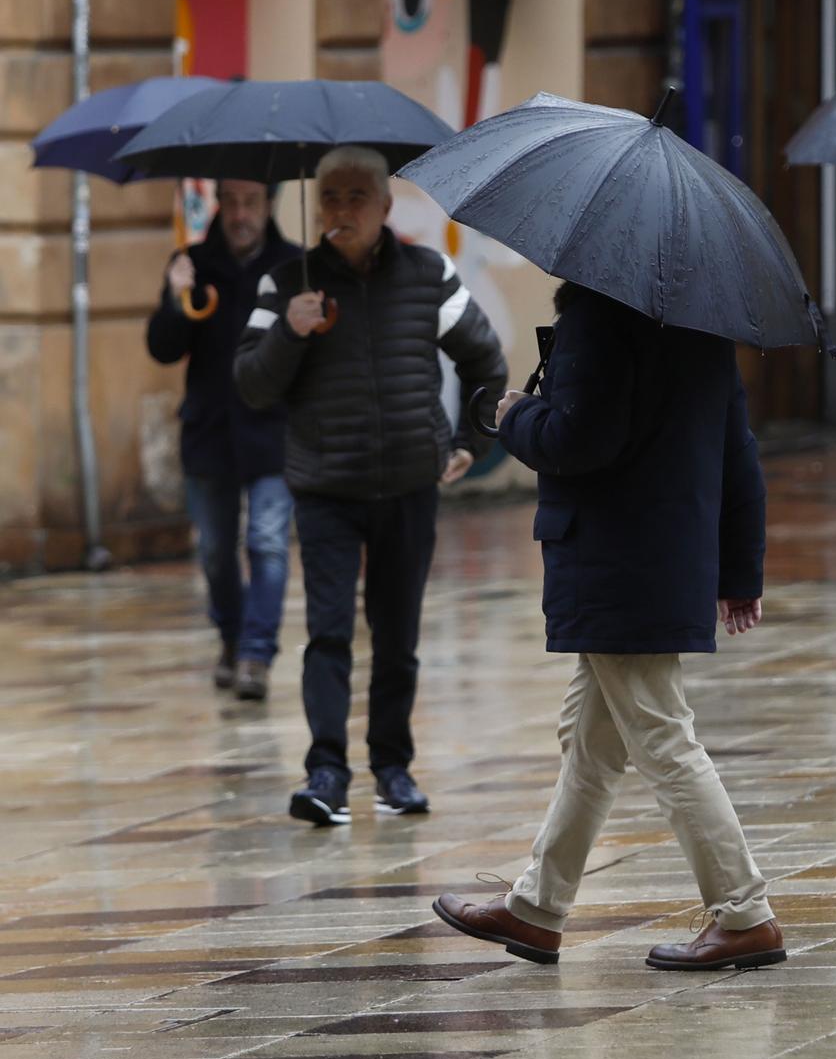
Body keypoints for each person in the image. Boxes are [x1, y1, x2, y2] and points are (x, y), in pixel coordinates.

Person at [431, 282, 783, 971]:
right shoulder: (698, 317)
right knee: (590, 738)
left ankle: (745, 913)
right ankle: (536, 907)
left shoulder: (598, 315)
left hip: (615, 560)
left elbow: (579, 436)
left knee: (660, 733)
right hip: (663, 560)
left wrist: (515, 415)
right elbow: (738, 449)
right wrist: (740, 570)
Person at [235, 145, 506, 827]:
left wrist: (473, 441)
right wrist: (290, 333)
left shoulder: (427, 274)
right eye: (330, 197)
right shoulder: (284, 284)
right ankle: (326, 770)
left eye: (358, 196)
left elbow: (486, 359)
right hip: (325, 487)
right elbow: (251, 385)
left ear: (386, 207)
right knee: (327, 632)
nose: (341, 210)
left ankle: (394, 768)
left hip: (410, 484)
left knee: (398, 635)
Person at [146, 180, 302, 701]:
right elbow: (163, 349)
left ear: (269, 205)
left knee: (267, 542)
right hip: (209, 432)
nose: (240, 214)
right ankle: (233, 640)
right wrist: (174, 297)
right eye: (231, 202)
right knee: (215, 551)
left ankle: (257, 654)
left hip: (272, 431)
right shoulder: (192, 262)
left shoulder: (293, 267)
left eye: (251, 202)